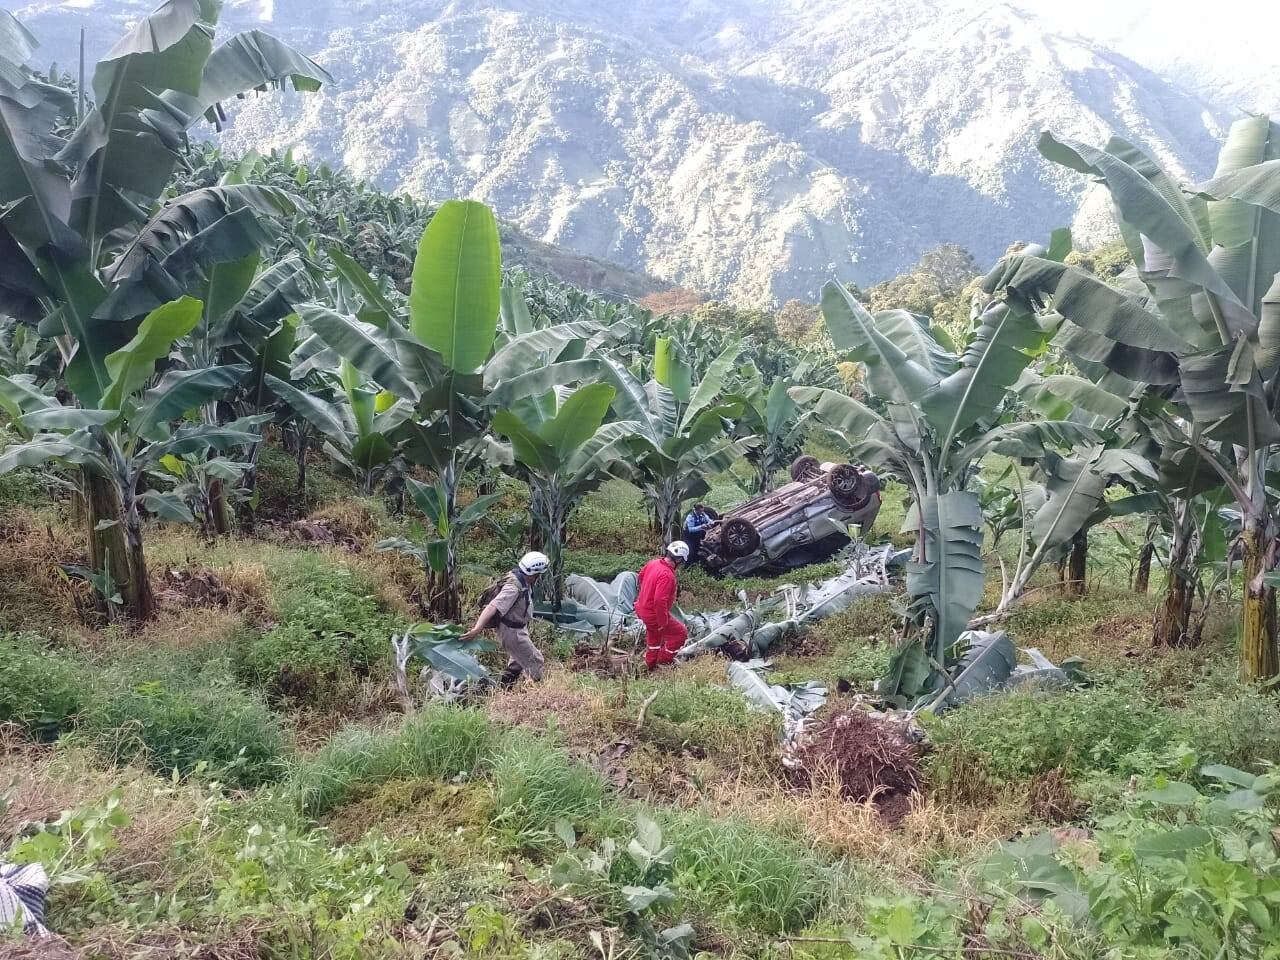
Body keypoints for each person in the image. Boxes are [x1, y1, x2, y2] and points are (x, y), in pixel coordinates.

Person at [460, 551, 549, 688]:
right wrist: (477, 629)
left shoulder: (520, 578)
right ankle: (532, 695)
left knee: (518, 661)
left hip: (518, 629)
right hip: (512, 632)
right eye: (537, 575)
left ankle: (504, 689)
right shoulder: (513, 588)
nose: (538, 578)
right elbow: (492, 607)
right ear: (533, 574)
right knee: (535, 661)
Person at [635, 541, 689, 669]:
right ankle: (663, 662)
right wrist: (663, 622)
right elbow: (659, 601)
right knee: (680, 633)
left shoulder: (653, 563)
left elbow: (640, 577)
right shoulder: (667, 575)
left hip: (642, 609)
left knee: (655, 636)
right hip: (653, 614)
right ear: (679, 559)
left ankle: (650, 663)